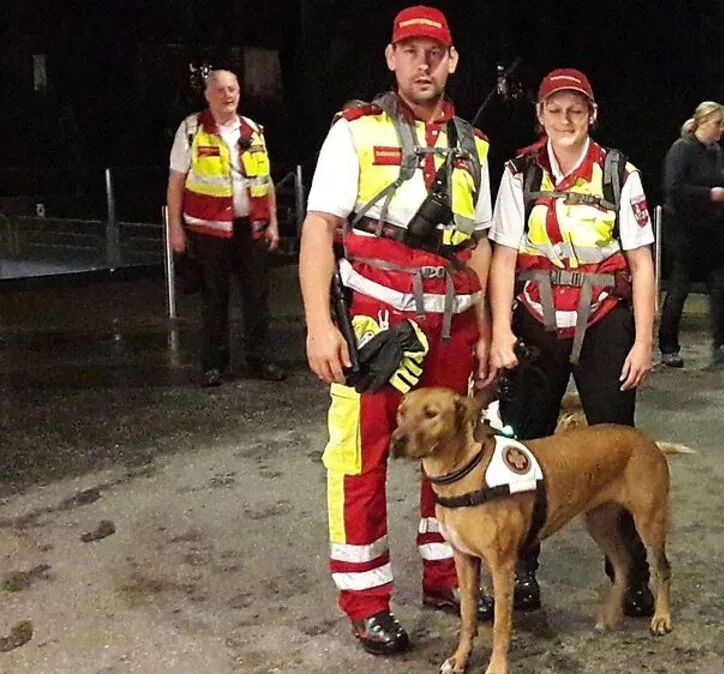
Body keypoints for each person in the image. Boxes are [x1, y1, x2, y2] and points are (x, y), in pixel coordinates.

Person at [297, 5, 495, 656]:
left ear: (452, 60)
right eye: (410, 50)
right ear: (391, 57)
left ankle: (446, 576)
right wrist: (320, 326)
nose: (422, 62)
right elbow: (319, 229)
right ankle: (366, 601)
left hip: (454, 327)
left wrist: (489, 331)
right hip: (376, 326)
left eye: (433, 52)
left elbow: (483, 247)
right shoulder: (353, 132)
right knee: (361, 461)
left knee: (454, 453)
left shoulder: (475, 146)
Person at [488, 68, 657, 616]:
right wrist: (499, 332)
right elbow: (504, 257)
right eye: (556, 109)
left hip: (605, 321)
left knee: (615, 453)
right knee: (522, 450)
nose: (566, 119)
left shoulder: (617, 172)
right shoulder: (519, 172)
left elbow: (641, 262)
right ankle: (523, 570)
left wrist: (644, 341)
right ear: (540, 114)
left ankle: (628, 574)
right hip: (536, 322)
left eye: (576, 110)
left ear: (593, 115)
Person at [166, 69, 285, 387]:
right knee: (214, 298)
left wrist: (273, 221)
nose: (228, 95)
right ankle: (213, 364)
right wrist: (174, 228)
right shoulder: (192, 130)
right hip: (209, 230)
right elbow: (176, 181)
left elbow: (266, 180)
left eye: (233, 89)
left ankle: (260, 359)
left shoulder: (253, 130)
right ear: (208, 95)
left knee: (257, 298)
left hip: (252, 227)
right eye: (220, 90)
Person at [657, 101, 724, 368]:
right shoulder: (682, 149)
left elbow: (718, 183)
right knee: (679, 287)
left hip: (710, 227)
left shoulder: (716, 152)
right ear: (703, 122)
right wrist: (709, 194)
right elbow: (673, 188)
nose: (722, 129)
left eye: (723, 124)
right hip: (682, 227)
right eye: (718, 123)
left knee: (719, 286)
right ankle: (668, 346)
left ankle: (722, 343)